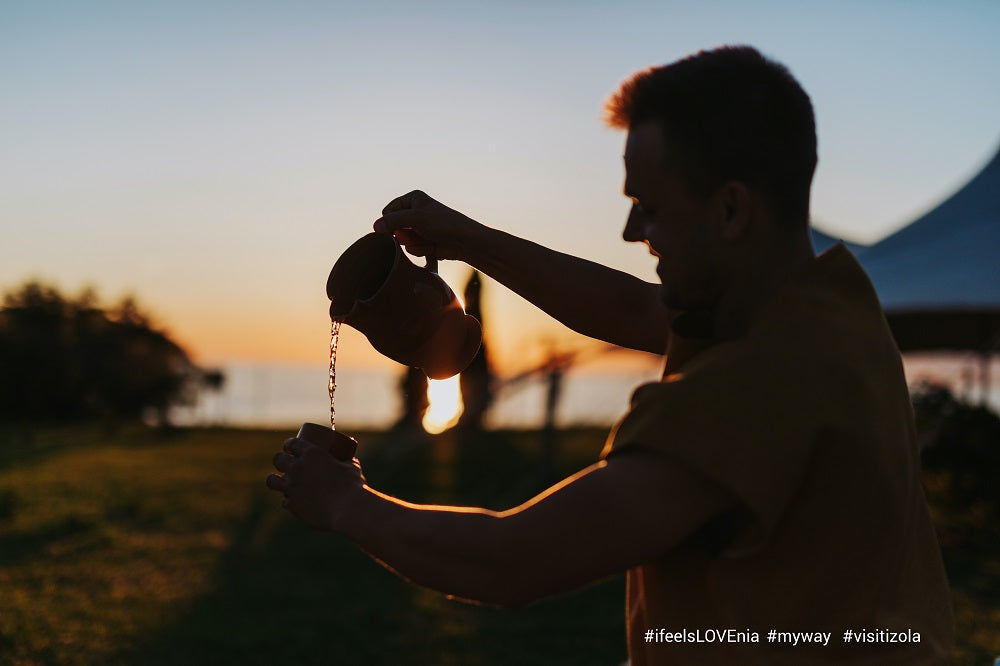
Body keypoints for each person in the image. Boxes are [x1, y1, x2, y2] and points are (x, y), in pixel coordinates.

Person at [267, 45, 953, 664]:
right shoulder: (826, 305)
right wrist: (468, 239)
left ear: (730, 211)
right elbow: (634, 309)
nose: (631, 232)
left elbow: (514, 563)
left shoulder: (754, 384)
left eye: (647, 208)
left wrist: (346, 504)